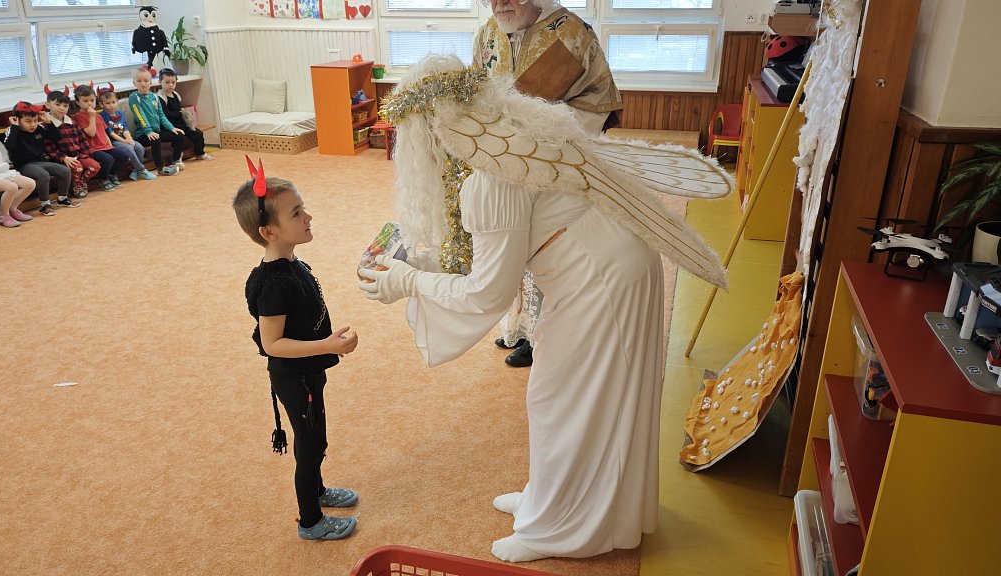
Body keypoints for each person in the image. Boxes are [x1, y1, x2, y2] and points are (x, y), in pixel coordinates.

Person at [361, 56, 731, 562]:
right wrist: (419, 265)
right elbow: (488, 253)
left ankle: (559, 528)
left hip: (600, 280)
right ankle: (549, 499)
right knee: (556, 396)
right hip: (598, 267)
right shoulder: (501, 137)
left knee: (572, 400)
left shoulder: (490, 176)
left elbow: (487, 293)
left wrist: (410, 281)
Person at [470, 0, 624, 368]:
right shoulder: (488, 32)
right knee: (513, 245)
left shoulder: (573, 34)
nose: (499, 4)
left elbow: (597, 106)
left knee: (546, 251)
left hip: (556, 166)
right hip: (507, 166)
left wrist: (538, 127)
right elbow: (477, 93)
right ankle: (519, 327)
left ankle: (542, 338)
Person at [234, 158, 361, 541]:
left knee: (316, 438)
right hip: (293, 376)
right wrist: (327, 344)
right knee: (309, 444)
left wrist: (324, 345)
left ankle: (318, 491)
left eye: (303, 208)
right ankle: (311, 521)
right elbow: (272, 344)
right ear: (269, 231)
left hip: (307, 370)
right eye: (296, 213)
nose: (308, 216)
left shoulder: (290, 263)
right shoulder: (275, 283)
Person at [4, 102, 79, 216]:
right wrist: (14, 126)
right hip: (24, 165)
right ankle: (45, 205)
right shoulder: (12, 130)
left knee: (65, 171)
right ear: (17, 120)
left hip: (40, 161)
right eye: (28, 121)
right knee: (43, 175)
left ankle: (62, 198)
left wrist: (49, 122)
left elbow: (56, 137)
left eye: (35, 120)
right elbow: (9, 146)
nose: (33, 124)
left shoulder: (38, 128)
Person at [0, 101, 37, 228]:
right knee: (11, 187)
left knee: (30, 184)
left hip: (0, 171)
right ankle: (3, 215)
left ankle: (12, 209)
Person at [72, 85, 133, 191]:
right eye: (85, 101)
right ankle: (103, 179)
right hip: (92, 149)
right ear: (77, 102)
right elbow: (91, 133)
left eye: (92, 100)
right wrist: (92, 116)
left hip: (105, 146)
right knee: (108, 159)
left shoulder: (98, 115)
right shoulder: (78, 117)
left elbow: (104, 133)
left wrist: (110, 145)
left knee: (125, 155)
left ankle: (110, 174)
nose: (90, 103)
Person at [43, 90, 100, 199]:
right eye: (57, 105)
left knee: (95, 166)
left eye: (65, 106)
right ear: (48, 105)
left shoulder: (72, 122)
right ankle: (76, 186)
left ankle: (80, 182)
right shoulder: (46, 125)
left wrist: (87, 155)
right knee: (78, 168)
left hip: (78, 155)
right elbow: (50, 149)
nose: (62, 108)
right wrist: (64, 158)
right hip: (63, 159)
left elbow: (82, 140)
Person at [128, 66, 184, 176]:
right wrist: (148, 131)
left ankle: (175, 161)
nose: (143, 84)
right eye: (139, 81)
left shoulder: (154, 96)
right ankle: (161, 169)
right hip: (143, 134)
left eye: (146, 81)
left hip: (156, 131)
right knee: (156, 139)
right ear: (134, 83)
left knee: (179, 135)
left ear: (150, 82)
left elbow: (161, 115)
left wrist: (171, 128)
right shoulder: (134, 98)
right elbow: (140, 116)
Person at [157, 68, 213, 166]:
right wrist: (180, 113)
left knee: (198, 133)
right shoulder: (160, 97)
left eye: (173, 82)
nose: (171, 85)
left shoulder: (175, 95)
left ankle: (200, 153)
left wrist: (184, 115)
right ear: (160, 82)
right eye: (167, 82)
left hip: (181, 124)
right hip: (170, 126)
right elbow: (166, 114)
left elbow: (180, 110)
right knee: (179, 137)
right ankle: (176, 159)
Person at [98, 90, 157, 180]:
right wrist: (125, 141)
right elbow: (110, 133)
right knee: (129, 148)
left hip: (123, 139)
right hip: (113, 141)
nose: (112, 105)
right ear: (101, 104)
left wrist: (129, 139)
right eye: (108, 103)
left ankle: (135, 170)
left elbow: (125, 128)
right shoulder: (102, 116)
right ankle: (141, 170)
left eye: (113, 102)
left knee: (139, 147)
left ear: (117, 101)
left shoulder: (120, 113)